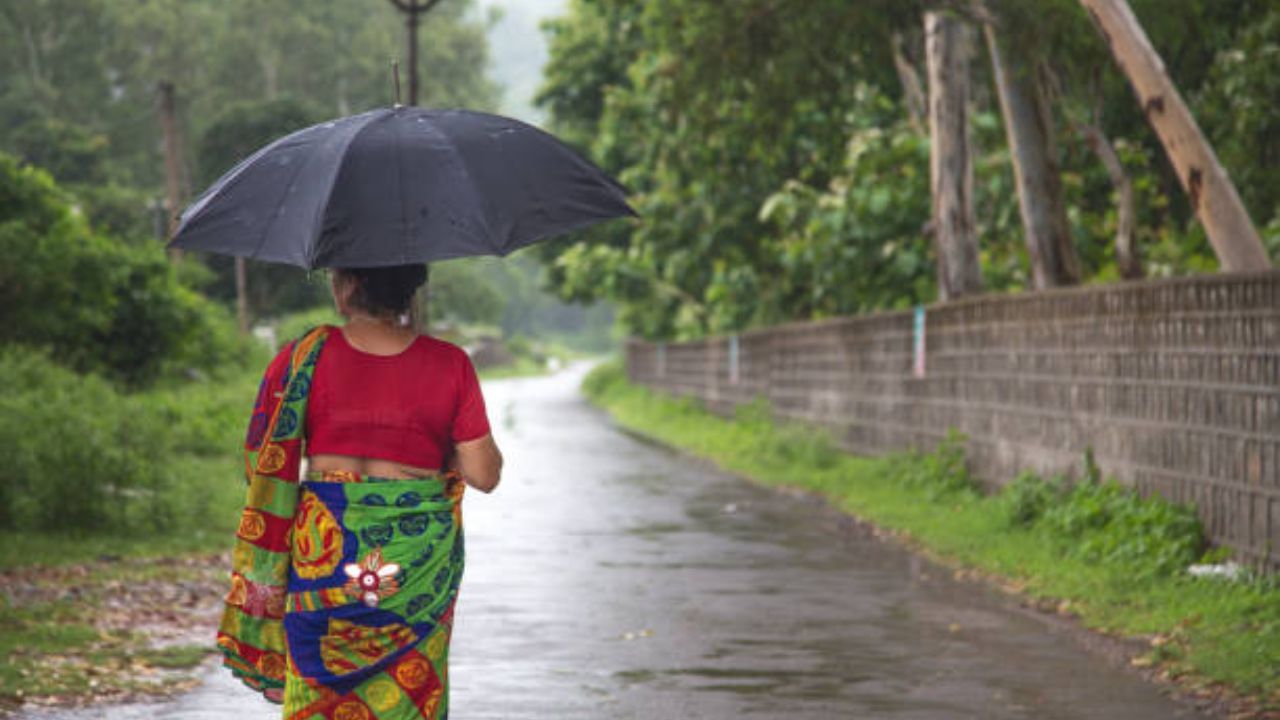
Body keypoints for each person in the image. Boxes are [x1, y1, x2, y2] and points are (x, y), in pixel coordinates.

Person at [217, 264, 502, 720]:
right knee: (408, 703)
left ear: (347, 286)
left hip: (322, 568)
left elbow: (261, 461)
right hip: (413, 575)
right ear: (411, 289)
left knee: (317, 696)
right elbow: (485, 474)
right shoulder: (450, 364)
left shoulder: (302, 357)